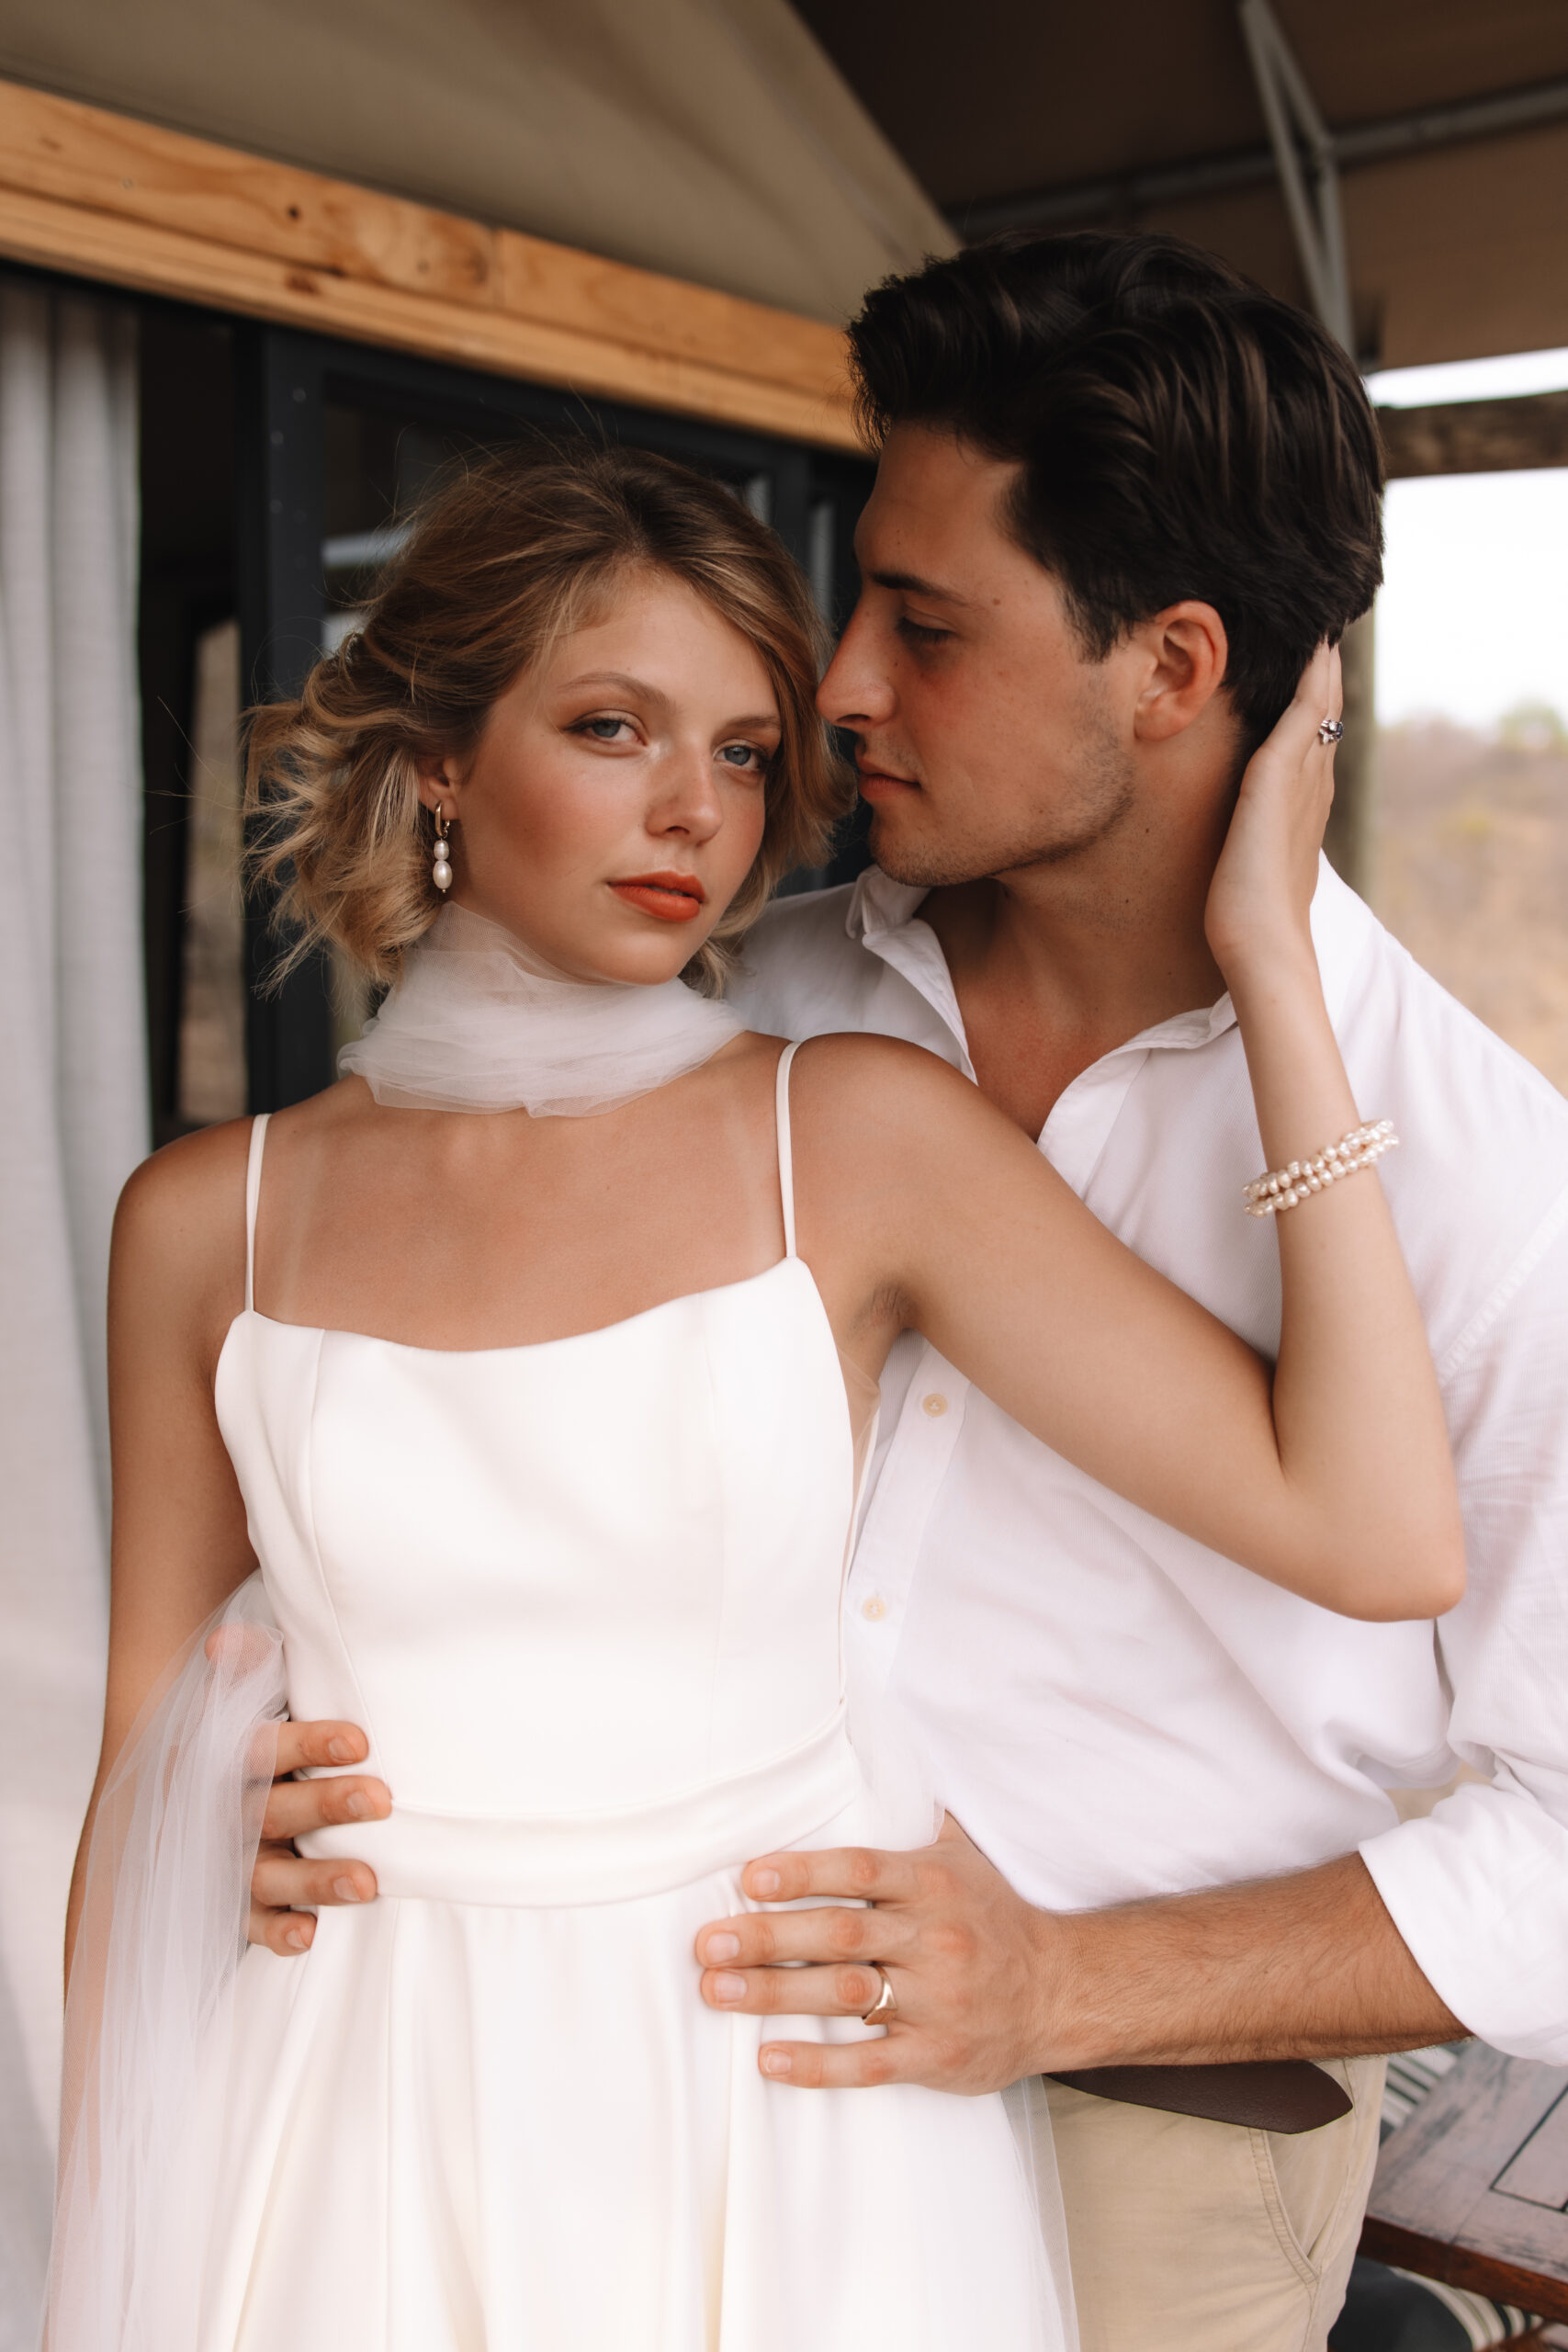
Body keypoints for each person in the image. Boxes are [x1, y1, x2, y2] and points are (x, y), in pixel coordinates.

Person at [256, 235, 1568, 2351]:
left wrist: (1061, 1981)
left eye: (924, 624)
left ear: (1167, 668)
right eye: (859, 596)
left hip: (1144, 2136)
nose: (836, 682)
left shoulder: (1479, 1182)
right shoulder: (743, 1002)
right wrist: (276, 1752)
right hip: (653, 2086)